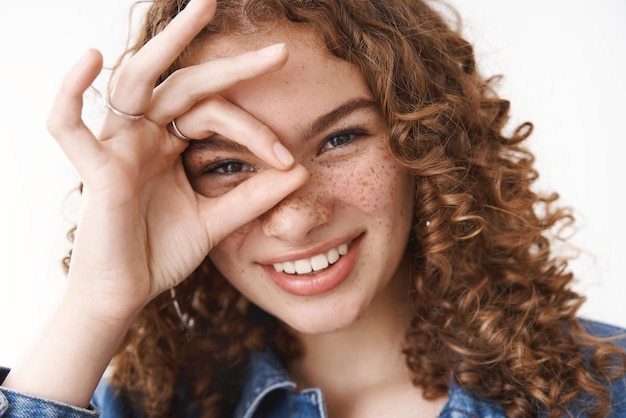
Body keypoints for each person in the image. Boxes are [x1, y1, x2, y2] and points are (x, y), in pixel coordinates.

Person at [1, 0, 625, 416]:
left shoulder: (609, 391)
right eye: (226, 164)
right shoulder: (145, 407)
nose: (296, 218)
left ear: (427, 140)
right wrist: (96, 304)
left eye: (339, 139)